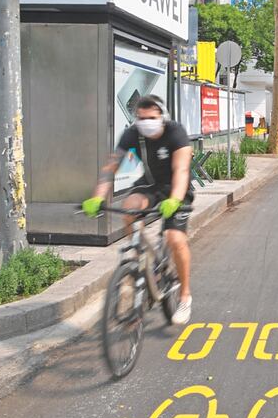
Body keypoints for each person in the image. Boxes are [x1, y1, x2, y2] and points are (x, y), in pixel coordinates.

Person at [82, 95, 195, 325]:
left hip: (177, 188)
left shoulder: (175, 132)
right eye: (141, 118)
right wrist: (97, 197)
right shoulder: (133, 134)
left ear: (162, 117)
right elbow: (111, 167)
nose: (146, 122)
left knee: (175, 238)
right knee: (128, 208)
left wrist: (174, 199)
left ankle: (184, 295)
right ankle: (140, 256)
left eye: (152, 118)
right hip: (151, 184)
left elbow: (181, 170)